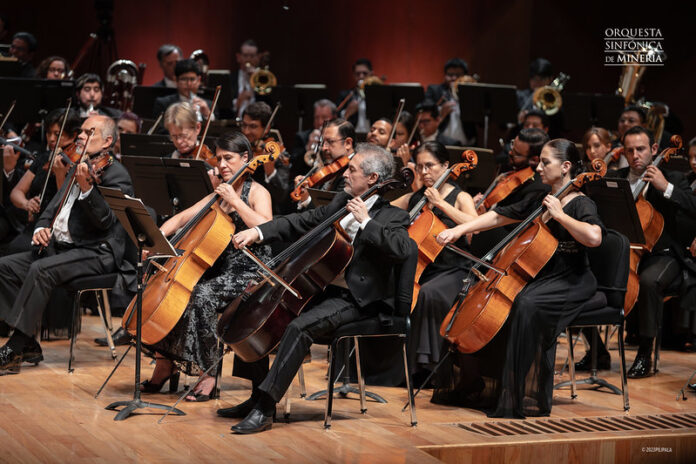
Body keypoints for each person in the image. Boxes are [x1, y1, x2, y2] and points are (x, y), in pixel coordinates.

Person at [221, 143, 415, 433]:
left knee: (300, 327)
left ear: (373, 179)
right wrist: (259, 231)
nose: (345, 174)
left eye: (352, 169)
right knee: (261, 315)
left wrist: (367, 222)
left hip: (358, 299)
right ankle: (254, 397)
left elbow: (403, 249)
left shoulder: (392, 217)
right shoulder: (340, 202)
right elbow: (301, 220)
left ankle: (264, 409)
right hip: (325, 290)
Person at [435, 138, 604, 418]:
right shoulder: (541, 198)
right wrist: (458, 230)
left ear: (565, 167)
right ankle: (476, 385)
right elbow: (498, 217)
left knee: (525, 304)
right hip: (541, 275)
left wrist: (561, 217)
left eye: (545, 162)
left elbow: (595, 237)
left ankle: (516, 395)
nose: (538, 167)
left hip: (572, 278)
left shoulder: (580, 203)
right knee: (503, 302)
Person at [141, 131, 272, 401]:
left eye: (228, 158)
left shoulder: (258, 192)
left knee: (202, 295)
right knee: (177, 291)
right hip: (220, 268)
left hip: (250, 270)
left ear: (245, 159)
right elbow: (179, 219)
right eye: (219, 158)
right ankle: (164, 363)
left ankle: (208, 372)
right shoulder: (217, 194)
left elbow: (268, 227)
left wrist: (236, 202)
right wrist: (158, 243)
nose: (222, 164)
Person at [0, 115, 135, 375]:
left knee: (41, 270)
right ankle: (28, 343)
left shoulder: (118, 175)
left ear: (107, 141)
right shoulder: (78, 164)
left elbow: (105, 223)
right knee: (5, 267)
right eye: (81, 132)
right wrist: (42, 228)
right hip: (65, 247)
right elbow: (54, 206)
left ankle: (15, 347)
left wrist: (87, 190)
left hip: (97, 251)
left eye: (89, 133)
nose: (80, 137)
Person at [583, 126, 696, 378]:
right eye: (630, 150)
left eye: (641, 149)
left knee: (648, 282)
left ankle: (645, 353)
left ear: (654, 150)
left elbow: (693, 207)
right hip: (624, 253)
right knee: (577, 273)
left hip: (664, 254)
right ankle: (597, 350)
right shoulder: (615, 177)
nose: (635, 155)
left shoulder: (674, 179)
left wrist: (665, 187)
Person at [391, 141, 477, 375]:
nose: (424, 172)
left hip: (456, 269)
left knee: (428, 293)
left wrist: (439, 203)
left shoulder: (461, 196)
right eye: (419, 167)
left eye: (430, 165)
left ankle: (427, 365)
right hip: (424, 268)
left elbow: (475, 226)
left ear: (446, 166)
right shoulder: (416, 197)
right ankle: (397, 367)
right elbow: (385, 211)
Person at [4, 108, 81, 255]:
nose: (51, 138)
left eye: (57, 134)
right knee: (11, 249)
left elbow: (67, 205)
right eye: (48, 133)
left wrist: (59, 174)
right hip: (34, 226)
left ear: (74, 135)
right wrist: (26, 204)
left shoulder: (76, 163)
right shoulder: (44, 158)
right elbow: (16, 192)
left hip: (59, 231)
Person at [292, 118, 356, 208]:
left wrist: (306, 200)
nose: (324, 148)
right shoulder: (330, 166)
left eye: (330, 142)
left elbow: (331, 212)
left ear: (348, 143)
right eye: (323, 142)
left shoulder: (354, 172)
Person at [240, 102, 290, 214]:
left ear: (266, 128)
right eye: (244, 125)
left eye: (253, 126)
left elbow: (280, 196)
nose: (246, 131)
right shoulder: (238, 147)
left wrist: (270, 170)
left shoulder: (280, 154)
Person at [424, 58, 476, 146]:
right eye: (450, 74)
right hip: (442, 144)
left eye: (458, 75)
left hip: (467, 145)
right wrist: (440, 111)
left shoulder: (471, 93)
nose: (453, 78)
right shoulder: (435, 90)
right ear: (445, 75)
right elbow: (424, 115)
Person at [290, 99, 336, 178]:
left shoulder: (337, 138)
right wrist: (307, 147)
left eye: (324, 117)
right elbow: (293, 168)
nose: (320, 122)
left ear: (334, 118)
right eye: (317, 117)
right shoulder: (302, 137)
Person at [337, 58, 374, 132]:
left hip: (372, 135)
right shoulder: (346, 95)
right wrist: (347, 112)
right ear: (354, 75)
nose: (361, 76)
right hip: (353, 135)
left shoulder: (377, 96)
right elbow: (336, 120)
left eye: (364, 73)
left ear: (371, 74)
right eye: (358, 74)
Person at [232, 39, 261, 117]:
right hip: (235, 122)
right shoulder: (231, 78)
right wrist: (239, 100)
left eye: (252, 56)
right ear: (238, 57)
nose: (248, 59)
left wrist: (257, 79)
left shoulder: (262, 78)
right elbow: (225, 109)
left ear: (257, 58)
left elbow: (268, 104)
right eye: (245, 55)